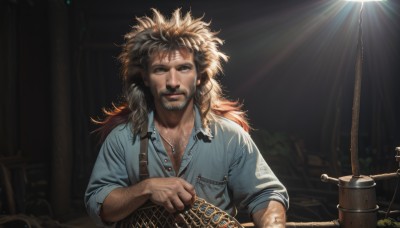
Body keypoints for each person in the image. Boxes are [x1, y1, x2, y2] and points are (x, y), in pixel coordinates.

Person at [85, 8, 289, 227]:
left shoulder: (230, 136)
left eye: (183, 68)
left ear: (199, 76)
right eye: (160, 69)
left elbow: (265, 196)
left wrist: (272, 223)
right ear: (145, 77)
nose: (173, 81)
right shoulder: (122, 139)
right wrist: (146, 188)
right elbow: (100, 206)